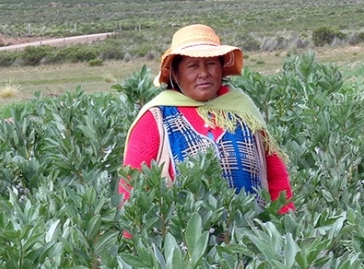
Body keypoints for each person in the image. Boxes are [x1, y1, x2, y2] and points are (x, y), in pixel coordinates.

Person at [120, 24, 293, 213]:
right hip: (182, 239)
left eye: (211, 63)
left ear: (221, 68)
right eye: (192, 66)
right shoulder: (156, 116)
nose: (203, 73)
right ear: (176, 74)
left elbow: (277, 179)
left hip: (251, 235)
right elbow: (132, 189)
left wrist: (284, 225)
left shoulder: (243, 110)